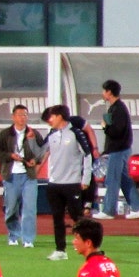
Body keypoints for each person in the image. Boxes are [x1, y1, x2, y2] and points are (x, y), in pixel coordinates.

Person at [37, 105, 91, 261]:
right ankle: (60, 250)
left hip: (72, 182)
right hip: (54, 183)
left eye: (51, 117)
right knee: (57, 218)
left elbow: (87, 155)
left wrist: (85, 178)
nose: (49, 120)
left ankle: (90, 246)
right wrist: (32, 139)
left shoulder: (76, 133)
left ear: (59, 116)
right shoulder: (52, 134)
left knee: (78, 218)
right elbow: (41, 151)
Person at [93, 79, 139, 220]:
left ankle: (108, 211)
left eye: (104, 91)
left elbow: (116, 131)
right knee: (124, 180)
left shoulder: (119, 109)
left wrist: (105, 126)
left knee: (112, 180)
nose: (102, 94)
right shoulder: (114, 108)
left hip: (119, 150)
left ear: (109, 92)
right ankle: (137, 207)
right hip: (118, 149)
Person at [0, 105, 43, 249]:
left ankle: (28, 239)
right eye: (20, 115)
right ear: (13, 117)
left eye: (25, 115)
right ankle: (13, 235)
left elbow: (41, 151)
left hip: (29, 176)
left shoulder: (33, 134)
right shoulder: (4, 134)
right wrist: (10, 156)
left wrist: (35, 160)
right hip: (11, 176)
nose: (23, 117)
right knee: (11, 208)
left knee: (29, 208)